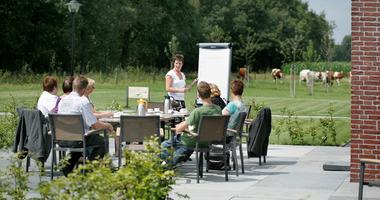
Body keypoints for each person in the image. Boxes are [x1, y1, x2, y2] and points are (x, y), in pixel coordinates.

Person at [58, 75, 114, 175]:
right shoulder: (83, 101)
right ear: (84, 89)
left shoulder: (62, 101)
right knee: (101, 141)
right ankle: (88, 170)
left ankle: (68, 167)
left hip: (61, 139)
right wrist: (107, 125)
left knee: (81, 141)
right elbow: (95, 125)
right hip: (78, 140)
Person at [161, 81, 221, 165]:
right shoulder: (218, 109)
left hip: (191, 140)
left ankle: (170, 162)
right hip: (207, 141)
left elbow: (180, 128)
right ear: (210, 93)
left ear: (199, 96)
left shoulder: (198, 111)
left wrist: (178, 127)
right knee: (177, 147)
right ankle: (177, 157)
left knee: (162, 145)